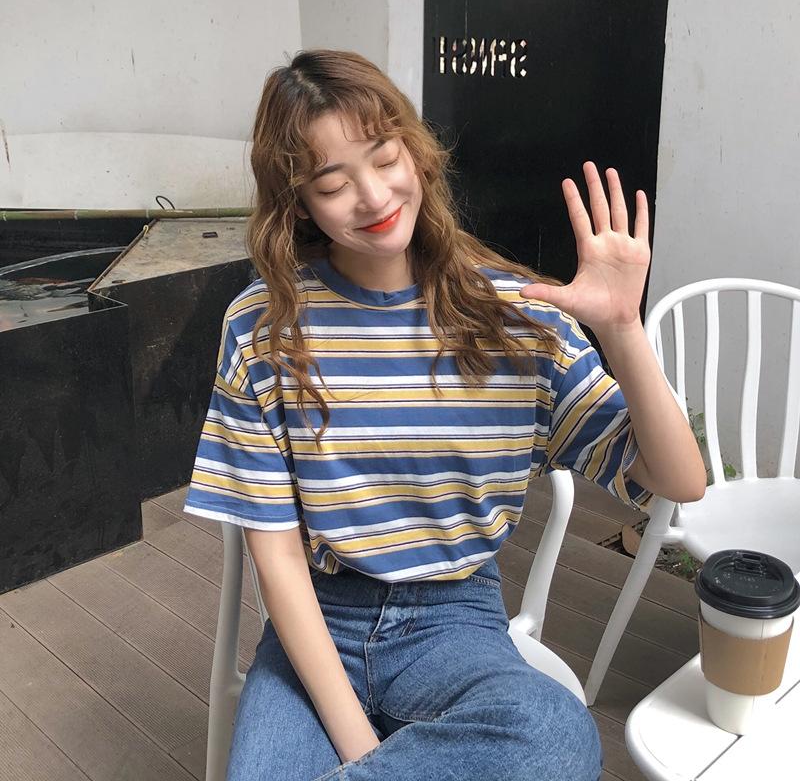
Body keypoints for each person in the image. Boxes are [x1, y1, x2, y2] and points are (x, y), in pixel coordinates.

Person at [184, 49, 706, 781]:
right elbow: (278, 561)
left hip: (455, 623)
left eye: (383, 157)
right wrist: (362, 751)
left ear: (416, 153)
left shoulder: (514, 317)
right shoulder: (264, 328)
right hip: (317, 626)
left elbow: (679, 481)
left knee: (556, 737)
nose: (373, 196)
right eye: (332, 183)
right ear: (298, 204)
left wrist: (623, 328)